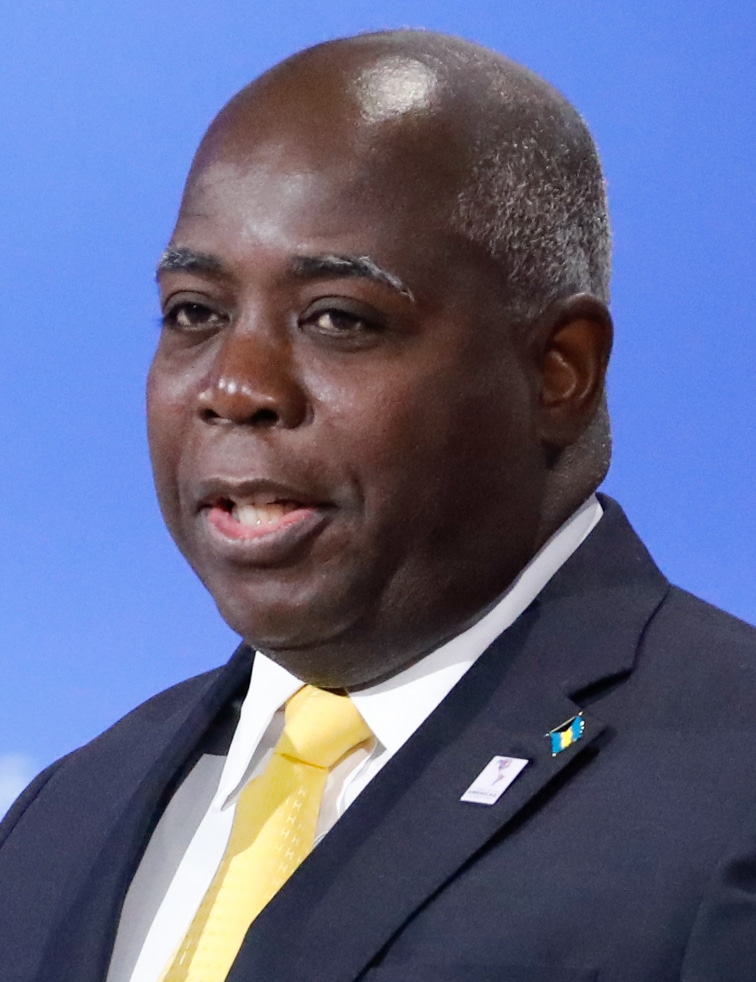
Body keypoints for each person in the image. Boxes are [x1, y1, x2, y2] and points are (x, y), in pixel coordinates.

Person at [2, 29, 756, 982]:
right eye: (195, 311)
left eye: (338, 319)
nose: (236, 386)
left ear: (559, 372)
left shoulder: (732, 794)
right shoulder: (60, 820)